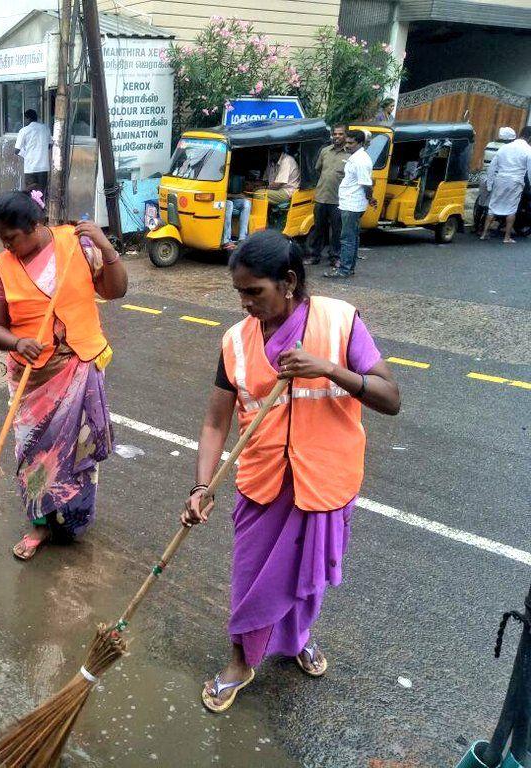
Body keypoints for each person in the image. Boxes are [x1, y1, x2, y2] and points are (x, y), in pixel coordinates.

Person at [181, 230, 400, 713]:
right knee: (251, 579)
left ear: (289, 282)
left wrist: (327, 368)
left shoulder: (340, 321)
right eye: (239, 292)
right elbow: (215, 420)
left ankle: (296, 638)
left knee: (307, 576)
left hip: (327, 481)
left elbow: (390, 397)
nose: (245, 304)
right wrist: (201, 484)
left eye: (254, 292)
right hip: (263, 484)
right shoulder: (235, 341)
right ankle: (241, 661)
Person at [0, 191, 127, 561]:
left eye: (11, 237)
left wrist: (105, 246)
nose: (6, 246)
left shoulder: (77, 243)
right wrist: (17, 340)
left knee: (79, 450)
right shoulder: (0, 268)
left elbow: (116, 289)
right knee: (34, 456)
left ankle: (76, 516)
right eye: (0, 239)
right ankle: (41, 525)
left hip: (82, 364)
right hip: (33, 379)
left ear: (34, 225)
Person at [325, 130, 375, 280]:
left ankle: (344, 269)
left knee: (347, 238)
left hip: (352, 204)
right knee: (352, 237)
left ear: (360, 143)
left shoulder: (361, 160)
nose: (347, 145)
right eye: (347, 142)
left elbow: (367, 184)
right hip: (350, 202)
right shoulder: (356, 157)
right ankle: (348, 268)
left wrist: (370, 198)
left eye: (351, 143)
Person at [306, 124, 349, 267]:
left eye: (340, 134)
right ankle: (314, 256)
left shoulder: (350, 154)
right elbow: (318, 169)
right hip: (321, 197)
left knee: (337, 231)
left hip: (338, 200)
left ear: (346, 136)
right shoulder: (325, 151)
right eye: (335, 134)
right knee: (318, 229)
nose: (337, 136)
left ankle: (335, 257)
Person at [481, 125, 531, 244]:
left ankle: (484, 234)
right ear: (529, 138)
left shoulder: (504, 148)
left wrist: (490, 183)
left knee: (492, 207)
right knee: (511, 209)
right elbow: (530, 171)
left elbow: (492, 166)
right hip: (515, 182)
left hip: (500, 179)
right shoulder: (528, 150)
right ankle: (506, 237)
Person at [14, 109, 50, 193]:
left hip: (30, 168)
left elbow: (16, 150)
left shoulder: (24, 130)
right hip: (43, 167)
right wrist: (41, 150)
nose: (24, 121)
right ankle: (40, 206)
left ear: (28, 118)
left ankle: (32, 206)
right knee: (41, 194)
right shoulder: (45, 129)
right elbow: (50, 144)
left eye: (25, 119)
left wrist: (26, 155)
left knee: (31, 194)